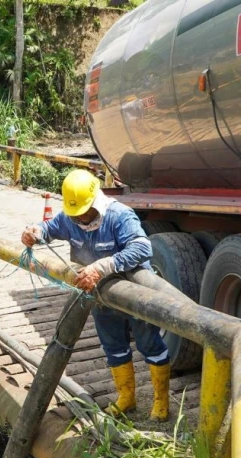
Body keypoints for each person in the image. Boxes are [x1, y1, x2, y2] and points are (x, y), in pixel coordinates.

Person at [20, 169, 171, 422]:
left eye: (83, 213)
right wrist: (34, 231)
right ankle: (126, 398)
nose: (79, 218)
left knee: (149, 344)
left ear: (95, 201)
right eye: (74, 214)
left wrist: (102, 266)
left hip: (135, 293)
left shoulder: (119, 216)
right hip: (101, 296)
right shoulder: (70, 218)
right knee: (113, 345)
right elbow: (49, 228)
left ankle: (161, 401)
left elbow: (143, 248)